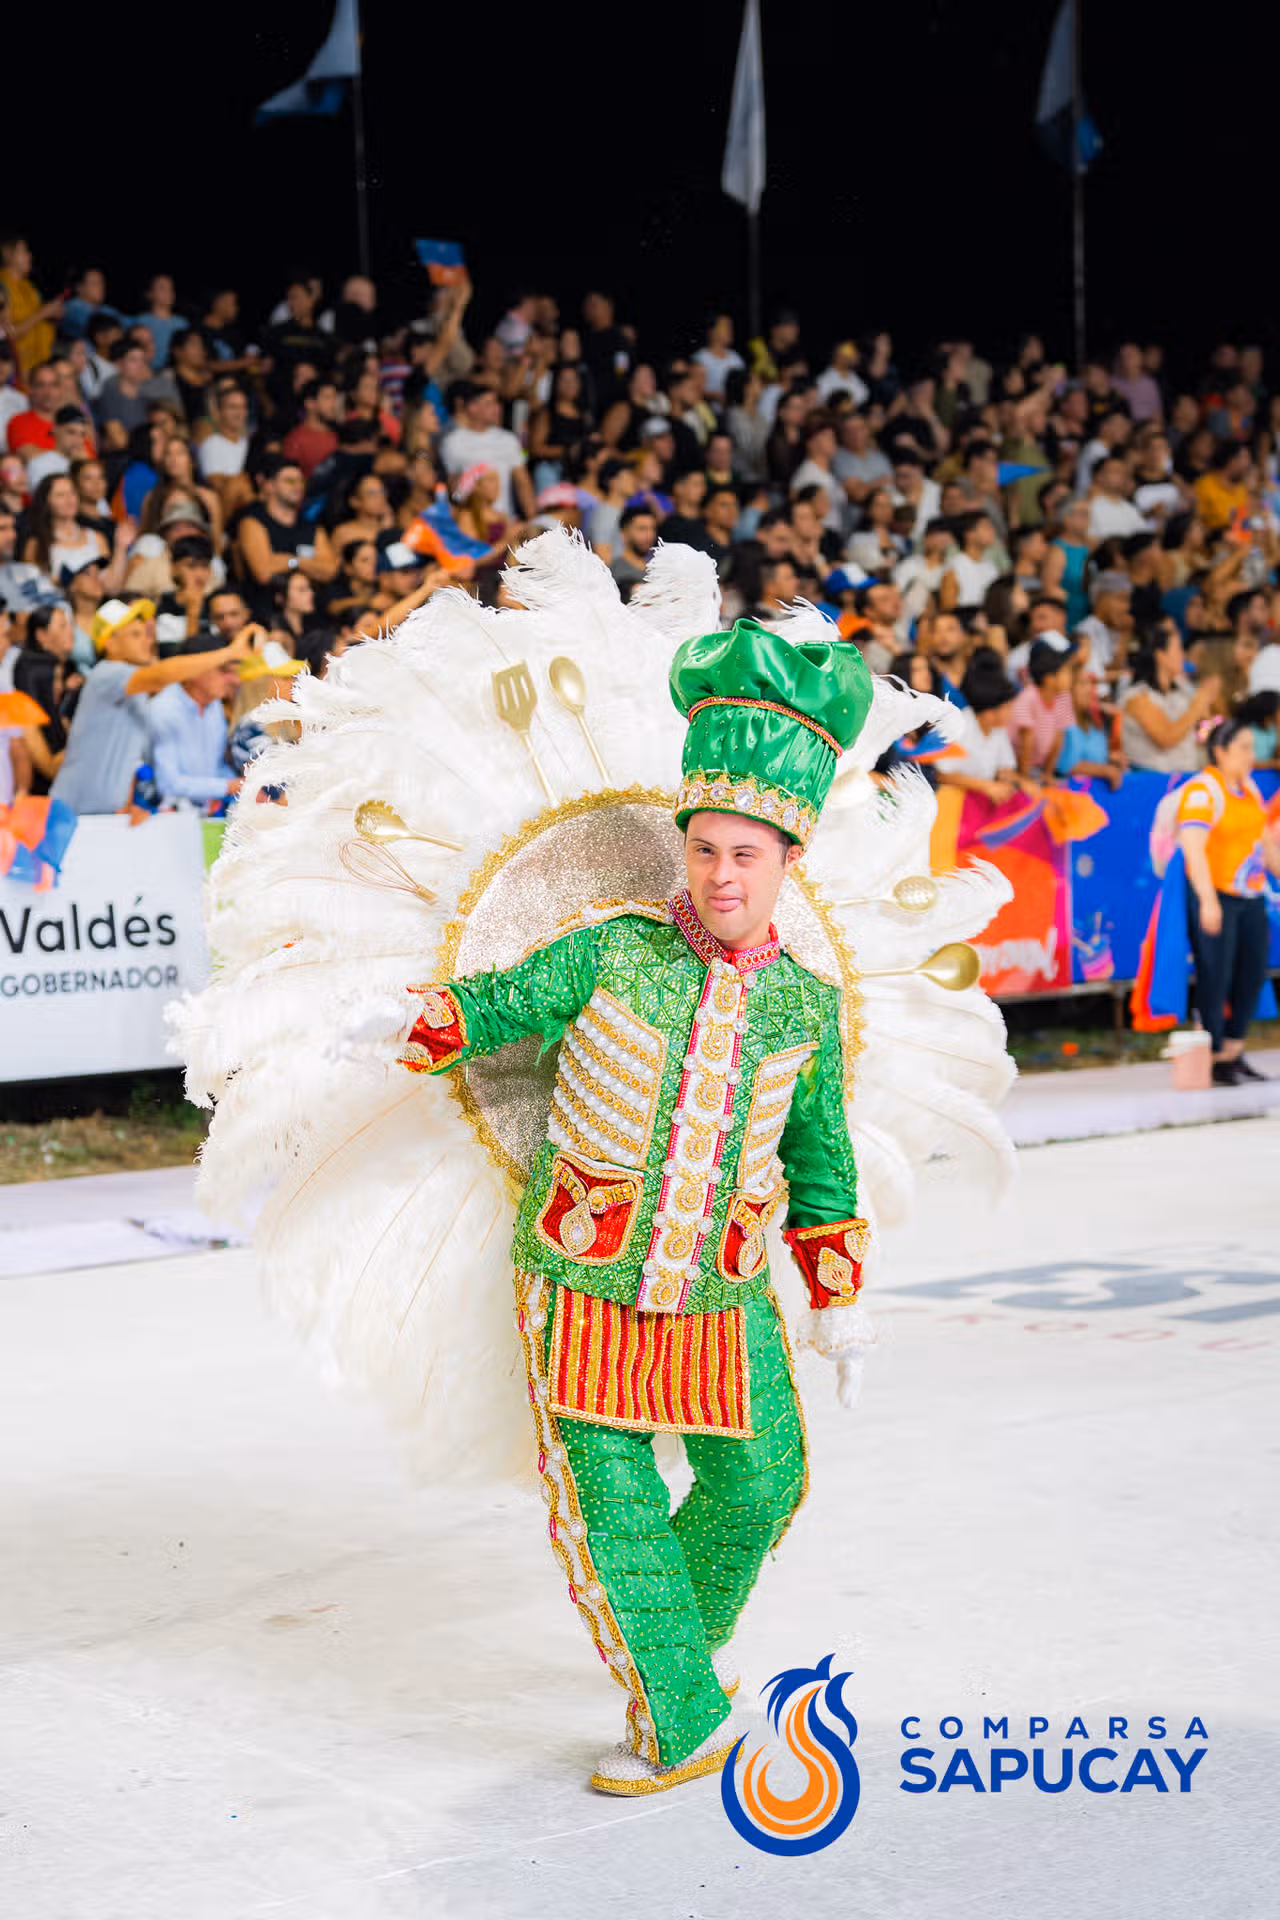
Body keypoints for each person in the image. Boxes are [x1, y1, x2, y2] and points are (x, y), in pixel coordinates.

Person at [50, 600, 254, 814]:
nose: (147, 641)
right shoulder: (105, 673)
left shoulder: (137, 694)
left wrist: (130, 804)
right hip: (73, 811)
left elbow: (129, 757)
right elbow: (161, 675)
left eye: (146, 634)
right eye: (135, 635)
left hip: (104, 814)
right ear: (109, 643)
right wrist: (228, 653)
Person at [1177, 718, 1280, 1083]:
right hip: (1216, 895)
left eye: (1254, 748)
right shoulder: (1203, 791)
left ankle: (1234, 1051)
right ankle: (1215, 1054)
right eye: (1244, 748)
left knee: (1251, 974)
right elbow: (1193, 849)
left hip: (1250, 896)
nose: (1252, 756)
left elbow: (1265, 843)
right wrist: (1207, 900)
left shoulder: (1249, 789)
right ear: (1220, 751)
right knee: (1215, 975)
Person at [149, 635, 242, 809]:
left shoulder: (214, 705)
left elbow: (216, 767)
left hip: (204, 816)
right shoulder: (163, 709)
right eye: (223, 671)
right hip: (166, 819)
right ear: (194, 671)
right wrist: (228, 786)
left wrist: (244, 783)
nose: (234, 680)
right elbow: (167, 784)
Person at [1120, 620, 1220, 773]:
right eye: (1178, 649)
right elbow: (1166, 738)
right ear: (1161, 656)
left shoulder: (1182, 690)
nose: (1183, 655)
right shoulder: (1137, 697)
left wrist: (1206, 713)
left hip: (1185, 776)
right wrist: (1196, 707)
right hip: (1152, 781)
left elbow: (1203, 731)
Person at [439, 383, 534, 517]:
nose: (497, 408)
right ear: (472, 408)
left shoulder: (508, 440)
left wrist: (533, 519)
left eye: (497, 403)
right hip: (472, 523)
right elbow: (452, 485)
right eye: (490, 404)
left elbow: (523, 482)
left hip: (505, 519)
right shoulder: (453, 442)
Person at [1009, 636, 1078, 778]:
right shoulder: (1028, 699)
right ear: (1049, 678)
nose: (1071, 676)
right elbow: (1025, 744)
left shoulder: (1063, 698)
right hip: (1016, 767)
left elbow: (1058, 738)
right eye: (1065, 672)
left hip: (1040, 768)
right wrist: (1025, 779)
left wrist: (1048, 774)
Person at [1057, 657, 1125, 787]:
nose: (1090, 689)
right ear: (1068, 689)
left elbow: (1093, 755)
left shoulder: (1091, 720)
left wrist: (1112, 758)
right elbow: (1066, 765)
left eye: (1090, 683)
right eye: (1083, 684)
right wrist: (1104, 770)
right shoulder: (1063, 722)